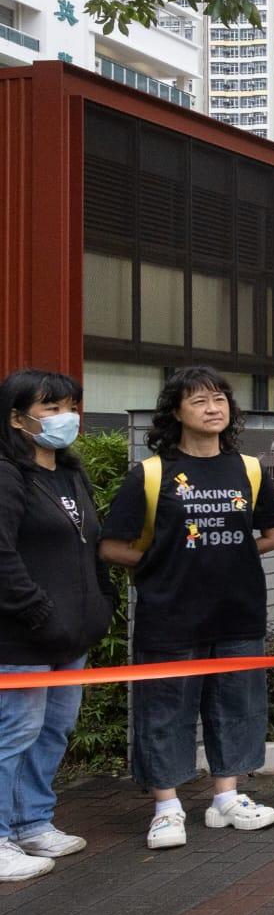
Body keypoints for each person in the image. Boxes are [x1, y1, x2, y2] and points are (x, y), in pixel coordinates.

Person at [100, 367, 274, 841]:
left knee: (238, 706)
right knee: (165, 709)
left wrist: (228, 552)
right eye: (199, 401)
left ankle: (226, 797)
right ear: (176, 412)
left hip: (238, 611)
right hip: (170, 614)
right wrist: (162, 562)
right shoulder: (151, 473)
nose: (213, 408)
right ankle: (167, 808)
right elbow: (111, 547)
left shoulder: (248, 468)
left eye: (220, 399)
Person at [0, 370, 113, 880]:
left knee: (52, 730)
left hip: (72, 636)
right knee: (13, 733)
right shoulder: (8, 475)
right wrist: (38, 613)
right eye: (51, 408)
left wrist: (102, 603)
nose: (66, 418)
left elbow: (89, 546)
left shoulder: (69, 474)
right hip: (21, 638)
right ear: (16, 418)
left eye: (70, 406)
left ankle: (32, 821)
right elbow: (3, 557)